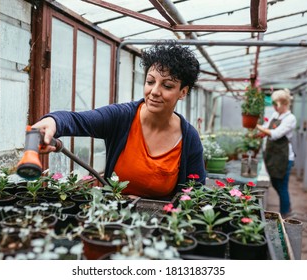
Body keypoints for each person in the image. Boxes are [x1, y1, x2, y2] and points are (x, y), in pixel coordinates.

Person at [31, 41, 206, 199]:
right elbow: (78, 120)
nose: (154, 91)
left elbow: (195, 192)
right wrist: (52, 122)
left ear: (183, 92)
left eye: (167, 86)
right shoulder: (121, 117)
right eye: (150, 82)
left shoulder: (189, 138)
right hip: (114, 217)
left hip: (160, 223)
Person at [256, 88, 297, 218]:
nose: (274, 107)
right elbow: (267, 129)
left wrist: (257, 126)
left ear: (284, 103)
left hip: (283, 157)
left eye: (276, 104)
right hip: (272, 155)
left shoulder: (290, 118)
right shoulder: (276, 115)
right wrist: (260, 134)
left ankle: (286, 213)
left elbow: (276, 134)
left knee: (282, 185)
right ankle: (287, 207)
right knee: (275, 182)